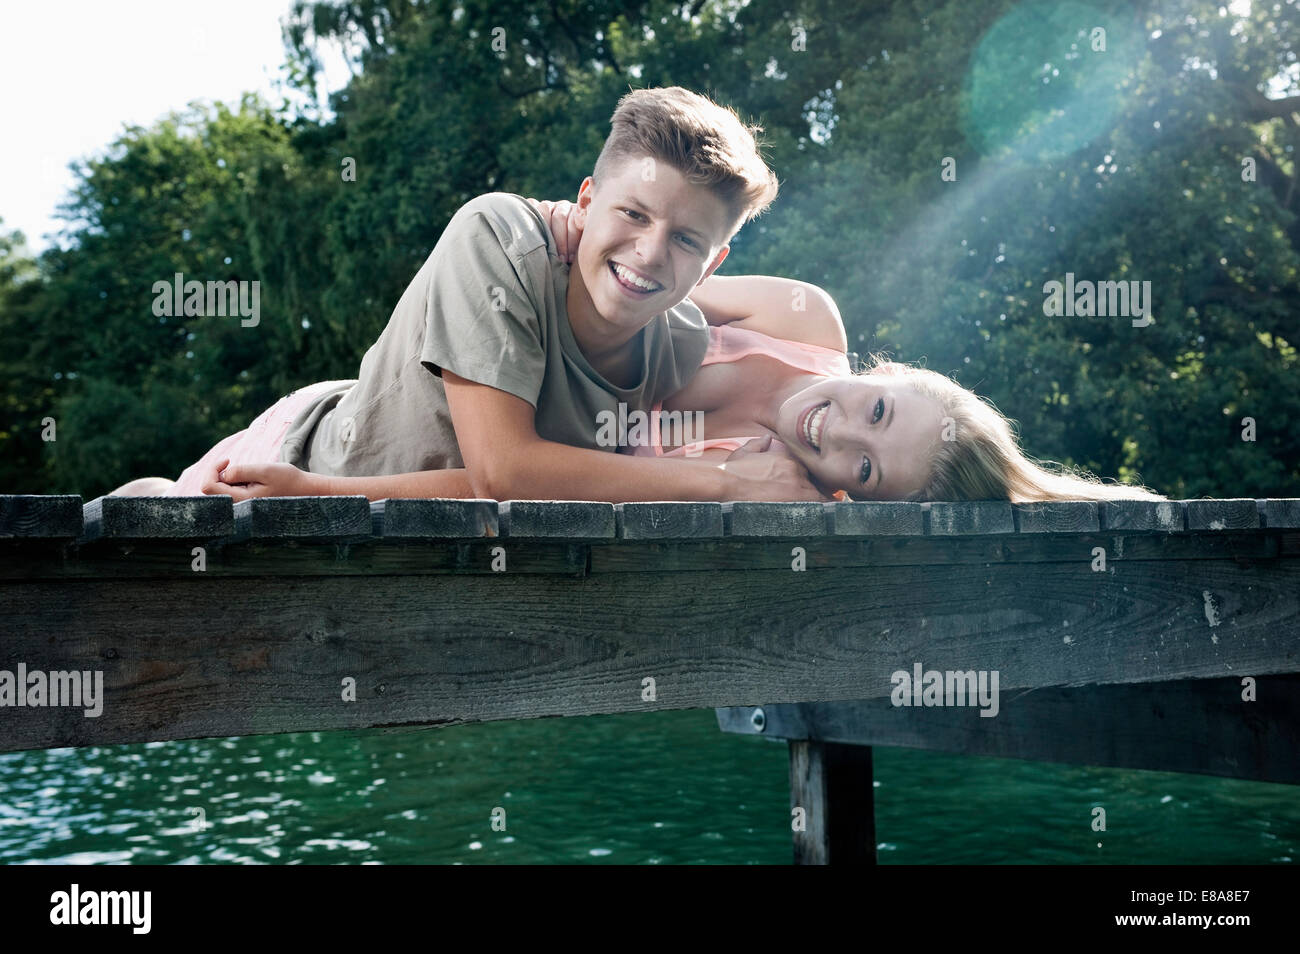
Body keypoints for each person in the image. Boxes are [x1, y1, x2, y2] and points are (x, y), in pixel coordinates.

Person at [110, 86, 828, 504]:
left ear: (714, 263)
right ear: (584, 199)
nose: (648, 252)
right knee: (132, 523)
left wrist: (662, 284)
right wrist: (726, 481)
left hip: (368, 510)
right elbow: (505, 469)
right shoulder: (499, 234)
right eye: (632, 215)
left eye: (686, 241)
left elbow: (807, 314)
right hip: (301, 458)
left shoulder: (671, 342)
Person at [525, 200, 1167, 504]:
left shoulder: (774, 491)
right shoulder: (802, 321)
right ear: (888, 371)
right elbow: (645, 276)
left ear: (849, 498)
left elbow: (539, 483)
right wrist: (571, 228)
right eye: (879, 413)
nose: (839, 433)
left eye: (864, 469)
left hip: (514, 443)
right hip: (529, 338)